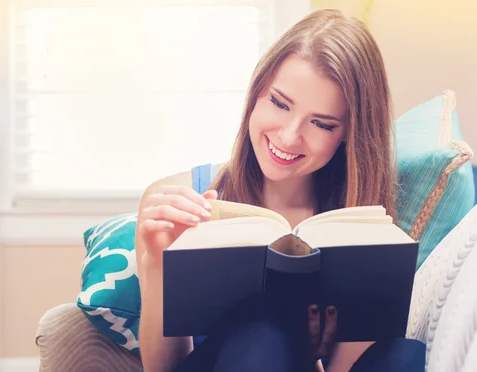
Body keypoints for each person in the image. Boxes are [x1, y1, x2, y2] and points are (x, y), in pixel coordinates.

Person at [134, 8, 426, 372]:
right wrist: (158, 265)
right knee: (261, 333)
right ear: (257, 92)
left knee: (404, 353)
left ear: (349, 135)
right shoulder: (176, 197)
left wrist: (310, 359)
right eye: (279, 103)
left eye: (321, 123)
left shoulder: (359, 228)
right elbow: (163, 369)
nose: (288, 136)